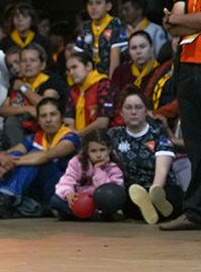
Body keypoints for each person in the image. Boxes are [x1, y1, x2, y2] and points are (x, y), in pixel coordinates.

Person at [0, 97, 79, 218]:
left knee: (35, 156)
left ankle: (7, 198)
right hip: (36, 188)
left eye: (53, 114)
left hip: (58, 189)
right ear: (38, 120)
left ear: (62, 117)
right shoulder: (36, 137)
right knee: (14, 155)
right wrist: (3, 157)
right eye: (43, 116)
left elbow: (47, 155)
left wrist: (13, 163)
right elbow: (10, 153)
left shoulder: (71, 137)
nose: (48, 120)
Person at [160, 0, 201, 230]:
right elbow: (171, 25)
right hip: (188, 69)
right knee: (195, 144)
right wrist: (184, 21)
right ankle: (195, 212)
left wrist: (180, 21)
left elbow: (176, 21)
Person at [107, 87, 180, 224]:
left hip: (160, 186)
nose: (133, 112)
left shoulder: (158, 133)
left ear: (146, 111)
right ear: (121, 112)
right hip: (131, 190)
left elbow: (162, 170)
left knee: (174, 200)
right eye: (128, 108)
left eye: (138, 107)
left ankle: (154, 203)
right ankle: (149, 210)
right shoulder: (113, 134)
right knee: (119, 199)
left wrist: (155, 190)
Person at [0, 43, 67, 147]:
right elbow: (2, 110)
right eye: (23, 61)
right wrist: (28, 109)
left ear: (42, 65)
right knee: (11, 121)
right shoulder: (17, 82)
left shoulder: (52, 81)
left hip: (49, 131)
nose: (28, 64)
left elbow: (45, 104)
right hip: (22, 132)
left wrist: (24, 88)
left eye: (33, 60)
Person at [49, 131, 124, 221]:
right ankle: (92, 216)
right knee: (55, 201)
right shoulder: (76, 162)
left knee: (111, 204)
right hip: (80, 201)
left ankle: (78, 216)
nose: (99, 155)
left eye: (102, 150)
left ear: (109, 149)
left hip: (98, 204)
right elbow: (67, 179)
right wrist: (68, 193)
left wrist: (98, 169)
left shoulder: (113, 168)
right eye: (93, 151)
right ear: (87, 151)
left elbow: (110, 193)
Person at [76, 0, 127, 76]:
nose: (93, 7)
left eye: (98, 3)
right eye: (90, 3)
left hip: (108, 77)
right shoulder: (85, 27)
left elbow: (115, 56)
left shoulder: (115, 24)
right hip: (89, 78)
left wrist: (110, 82)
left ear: (108, 6)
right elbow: (79, 56)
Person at [64, 51, 115, 138]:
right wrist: (75, 134)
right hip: (78, 137)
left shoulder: (104, 85)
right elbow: (68, 120)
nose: (71, 73)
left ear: (88, 66)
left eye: (74, 67)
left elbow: (102, 122)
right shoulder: (74, 90)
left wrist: (79, 134)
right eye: (69, 70)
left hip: (105, 137)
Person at [110, 31, 159, 95]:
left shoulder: (160, 71)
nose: (138, 51)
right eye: (134, 48)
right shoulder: (120, 72)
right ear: (129, 51)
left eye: (142, 47)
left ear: (152, 47)